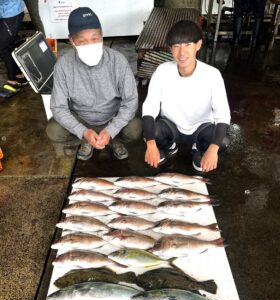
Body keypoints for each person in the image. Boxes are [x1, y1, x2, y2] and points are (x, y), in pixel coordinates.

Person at [46, 7, 141, 160]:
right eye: (82, 41)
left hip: (112, 116)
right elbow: (58, 107)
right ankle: (87, 140)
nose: (90, 44)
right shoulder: (63, 66)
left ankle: (112, 139)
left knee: (135, 128)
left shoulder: (118, 61)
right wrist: (83, 131)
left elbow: (131, 101)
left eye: (95, 38)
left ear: (102, 36)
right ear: (72, 41)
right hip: (82, 118)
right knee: (53, 130)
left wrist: (111, 130)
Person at [143, 20, 231, 172]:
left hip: (200, 129)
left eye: (188, 45)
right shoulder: (162, 71)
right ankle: (169, 145)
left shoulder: (212, 75)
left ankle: (200, 148)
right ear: (170, 49)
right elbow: (149, 109)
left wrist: (213, 149)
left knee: (222, 140)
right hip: (171, 127)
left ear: (198, 45)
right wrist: (150, 144)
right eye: (176, 46)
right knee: (150, 132)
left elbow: (223, 115)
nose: (181, 53)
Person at [0, 0, 28, 98]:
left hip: (11, 12)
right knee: (9, 45)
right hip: (5, 12)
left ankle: (13, 82)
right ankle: (20, 76)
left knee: (2, 48)